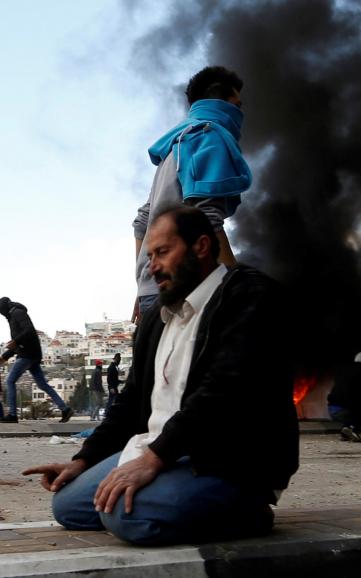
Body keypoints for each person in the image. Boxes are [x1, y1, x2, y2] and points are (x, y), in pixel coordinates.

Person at [23, 205, 298, 545]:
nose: (152, 266)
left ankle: (249, 510)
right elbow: (130, 401)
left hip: (226, 462)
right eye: (149, 255)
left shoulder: (250, 296)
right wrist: (84, 459)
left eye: (163, 252)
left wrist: (154, 459)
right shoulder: (157, 317)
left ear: (201, 246)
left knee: (124, 515)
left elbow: (225, 391)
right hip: (161, 454)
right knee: (68, 506)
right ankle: (170, 498)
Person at [132, 66, 252, 322]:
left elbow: (142, 222)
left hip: (155, 287)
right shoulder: (208, 137)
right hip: (187, 288)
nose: (240, 114)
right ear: (220, 103)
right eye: (237, 105)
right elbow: (207, 217)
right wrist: (237, 286)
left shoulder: (175, 146)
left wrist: (146, 281)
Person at [0, 298, 73, 423]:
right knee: (42, 384)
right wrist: (5, 356)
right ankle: (65, 409)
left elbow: (28, 331)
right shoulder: (14, 315)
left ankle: (12, 415)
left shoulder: (17, 313)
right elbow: (19, 342)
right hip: (32, 354)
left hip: (27, 354)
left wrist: (15, 341)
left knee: (10, 381)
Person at [328, 352, 361, 443]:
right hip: (348, 410)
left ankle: (345, 433)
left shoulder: (344, 369)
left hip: (332, 410)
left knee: (353, 413)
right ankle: (351, 428)